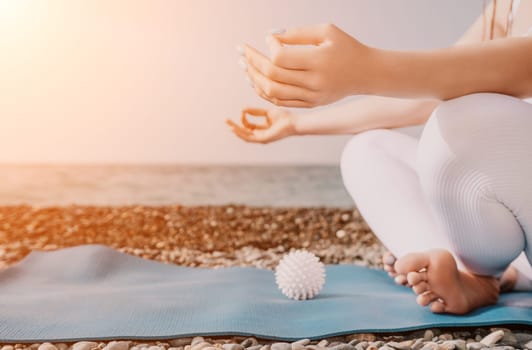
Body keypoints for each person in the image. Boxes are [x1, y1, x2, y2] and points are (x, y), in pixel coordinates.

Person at [226, 0, 532, 315]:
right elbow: (438, 87)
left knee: (462, 124)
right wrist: (295, 123)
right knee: (367, 152)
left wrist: (365, 67)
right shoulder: (505, 5)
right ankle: (478, 277)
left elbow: (523, 66)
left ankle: (488, 273)